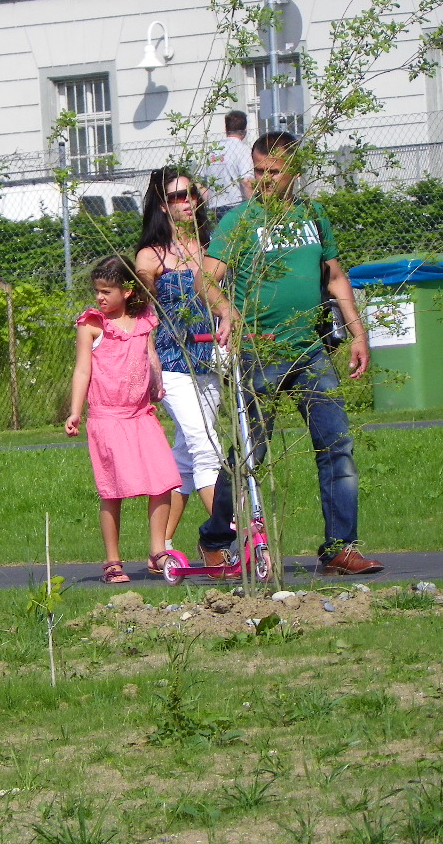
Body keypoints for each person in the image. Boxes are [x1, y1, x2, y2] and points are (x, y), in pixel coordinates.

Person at [197, 131, 382, 576]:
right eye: (258, 171)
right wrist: (226, 310)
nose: (263, 180)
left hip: (310, 351)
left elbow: (334, 276)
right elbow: (206, 279)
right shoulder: (240, 221)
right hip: (259, 353)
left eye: (273, 172)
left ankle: (339, 548)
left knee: (336, 444)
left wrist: (357, 333)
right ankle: (216, 537)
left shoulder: (313, 215)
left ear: (295, 171)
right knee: (251, 453)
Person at [65, 254, 182, 583]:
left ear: (127, 291)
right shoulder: (92, 324)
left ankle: (158, 550)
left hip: (141, 415)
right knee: (112, 490)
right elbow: (82, 370)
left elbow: (150, 355)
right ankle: (112, 561)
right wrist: (75, 411)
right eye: (97, 291)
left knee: (162, 480)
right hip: (108, 418)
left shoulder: (144, 319)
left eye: (107, 291)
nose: (99, 297)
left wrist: (156, 382)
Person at [134, 168, 222, 566]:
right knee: (206, 447)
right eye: (176, 196)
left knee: (186, 456)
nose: (187, 202)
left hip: (208, 360)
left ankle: (162, 548)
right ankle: (229, 535)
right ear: (161, 205)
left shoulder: (212, 247)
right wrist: (148, 358)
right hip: (171, 362)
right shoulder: (151, 256)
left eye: (191, 194)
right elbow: (142, 310)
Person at [198, 110, 254, 221]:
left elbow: (198, 181)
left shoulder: (213, 151)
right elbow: (247, 181)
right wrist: (252, 207)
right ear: (245, 130)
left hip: (214, 207)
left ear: (226, 128)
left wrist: (209, 199)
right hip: (237, 205)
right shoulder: (243, 150)